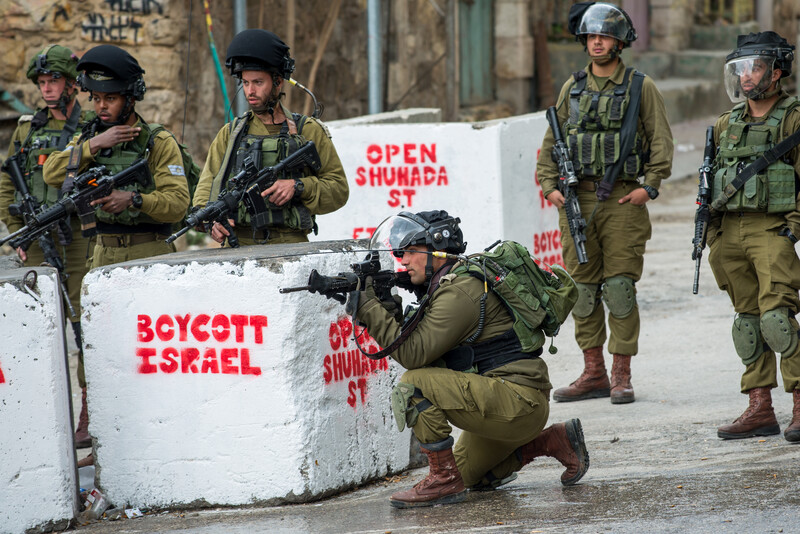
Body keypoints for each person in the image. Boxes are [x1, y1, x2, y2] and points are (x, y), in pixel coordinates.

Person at [351, 210, 589, 508]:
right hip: (515, 404)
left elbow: (413, 354)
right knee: (467, 477)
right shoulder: (452, 282)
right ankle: (552, 441)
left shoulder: (460, 291)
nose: (404, 260)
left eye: (412, 251)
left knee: (414, 384)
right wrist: (384, 302)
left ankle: (442, 480)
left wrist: (367, 306)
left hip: (516, 401)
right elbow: (419, 342)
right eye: (402, 253)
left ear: (438, 250)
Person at [42, 44, 190, 464]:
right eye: (97, 99)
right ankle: (106, 444)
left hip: (148, 253)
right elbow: (52, 171)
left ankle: (161, 443)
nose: (102, 106)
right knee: (99, 349)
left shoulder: (157, 141)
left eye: (110, 98)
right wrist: (92, 146)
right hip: (102, 254)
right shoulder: (89, 135)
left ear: (130, 97)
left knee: (151, 350)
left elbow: (178, 202)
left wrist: (135, 200)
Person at [536, 2, 673, 404]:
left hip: (620, 200)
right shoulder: (572, 87)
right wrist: (550, 187)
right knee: (581, 289)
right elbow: (552, 142)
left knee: (618, 289)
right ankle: (593, 372)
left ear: (620, 41)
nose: (597, 42)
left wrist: (649, 186)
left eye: (605, 36)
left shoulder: (639, 86)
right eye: (591, 36)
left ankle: (621, 374)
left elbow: (661, 140)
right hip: (576, 199)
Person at [0, 44, 95, 451]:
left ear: (72, 84)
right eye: (41, 82)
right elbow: (8, 181)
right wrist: (17, 230)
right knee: (40, 328)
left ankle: (89, 411)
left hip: (78, 239)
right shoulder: (28, 129)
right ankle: (41, 413)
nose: (47, 88)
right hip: (37, 241)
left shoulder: (91, 125)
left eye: (53, 80)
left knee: (84, 326)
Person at [706, 31, 800, 442]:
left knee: (777, 319)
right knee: (746, 323)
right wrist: (712, 235)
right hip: (730, 232)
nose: (746, 77)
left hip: (771, 229)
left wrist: (792, 227)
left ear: (777, 71)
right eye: (741, 69)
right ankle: (759, 407)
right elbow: (708, 182)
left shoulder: (794, 117)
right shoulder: (726, 123)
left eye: (756, 67)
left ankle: (799, 404)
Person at [192, 29, 348, 246]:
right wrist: (211, 222)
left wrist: (298, 185)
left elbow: (339, 190)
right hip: (238, 245)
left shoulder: (307, 130)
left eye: (258, 82)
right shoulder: (231, 133)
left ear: (278, 82)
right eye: (245, 83)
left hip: (289, 243)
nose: (250, 92)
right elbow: (206, 189)